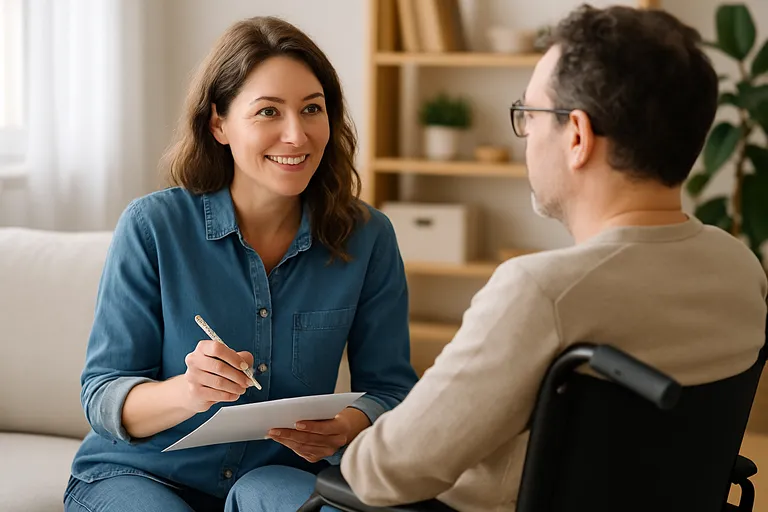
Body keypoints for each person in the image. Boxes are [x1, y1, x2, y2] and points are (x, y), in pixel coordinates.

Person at [228, 4, 768, 512]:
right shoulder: (741, 268)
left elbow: (380, 472)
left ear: (576, 136)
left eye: (530, 114)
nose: (526, 133)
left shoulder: (542, 291)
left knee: (260, 486)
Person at [63, 15, 418, 512]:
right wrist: (188, 392)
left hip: (278, 475)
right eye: (268, 112)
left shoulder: (368, 237)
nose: (296, 135)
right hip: (140, 473)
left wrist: (350, 425)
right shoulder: (152, 227)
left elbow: (393, 389)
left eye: (311, 109)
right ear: (219, 123)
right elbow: (102, 396)